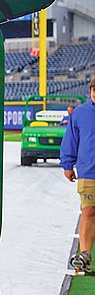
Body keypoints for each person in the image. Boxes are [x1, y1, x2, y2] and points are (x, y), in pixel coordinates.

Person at [58, 76, 95, 273]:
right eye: (94, 91)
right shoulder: (80, 113)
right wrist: (67, 164)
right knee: (88, 211)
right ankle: (85, 255)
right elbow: (71, 139)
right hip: (88, 171)